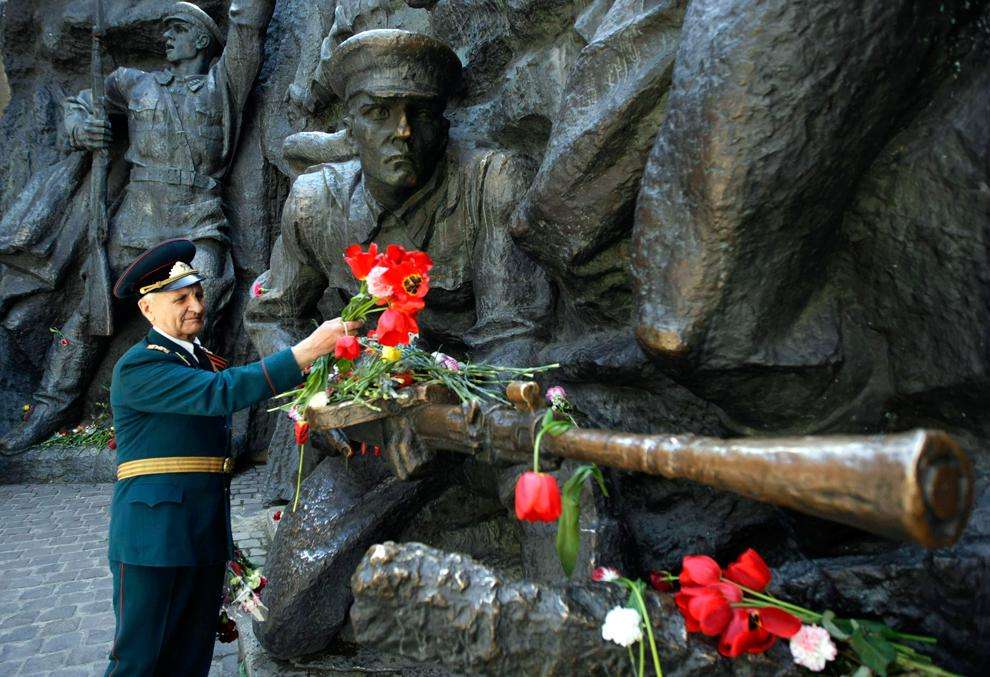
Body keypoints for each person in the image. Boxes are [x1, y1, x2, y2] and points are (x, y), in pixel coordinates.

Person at [0, 1, 277, 452]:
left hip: (196, 219)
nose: (166, 37)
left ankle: (193, 414)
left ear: (202, 39)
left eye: (177, 29)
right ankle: (51, 407)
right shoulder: (134, 83)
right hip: (135, 221)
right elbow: (81, 103)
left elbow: (249, 24)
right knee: (88, 320)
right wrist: (82, 129)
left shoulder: (223, 86)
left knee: (201, 305)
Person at [103, 238, 358, 675]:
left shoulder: (197, 359)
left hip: (200, 531)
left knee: (191, 656)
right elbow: (223, 394)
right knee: (140, 661)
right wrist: (308, 349)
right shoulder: (140, 366)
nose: (196, 306)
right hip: (154, 538)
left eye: (198, 294)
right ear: (148, 310)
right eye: (180, 298)